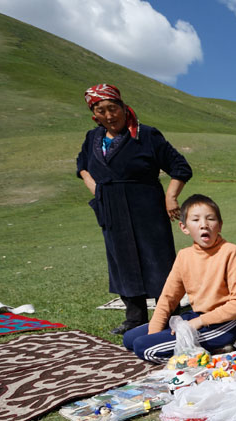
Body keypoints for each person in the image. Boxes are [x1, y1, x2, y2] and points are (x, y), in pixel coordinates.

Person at [77, 83, 193, 334]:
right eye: (101, 111)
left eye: (112, 108)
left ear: (123, 107)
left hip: (146, 206)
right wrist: (97, 191)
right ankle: (135, 317)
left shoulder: (146, 135)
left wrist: (171, 197)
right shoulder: (92, 138)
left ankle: (170, 313)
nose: (109, 116)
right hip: (111, 208)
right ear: (94, 115)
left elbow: (180, 167)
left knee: (157, 261)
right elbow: (82, 166)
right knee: (121, 261)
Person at [122, 194, 236, 363]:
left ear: (219, 225)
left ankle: (206, 356)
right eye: (195, 220)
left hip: (223, 325)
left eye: (210, 219)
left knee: (143, 348)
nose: (204, 225)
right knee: (130, 339)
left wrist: (198, 323)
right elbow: (168, 298)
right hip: (195, 317)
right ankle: (211, 349)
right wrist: (155, 332)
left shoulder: (231, 252)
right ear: (184, 227)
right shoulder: (184, 256)